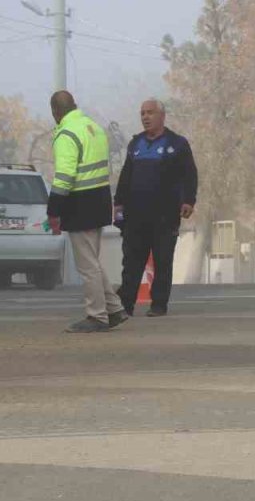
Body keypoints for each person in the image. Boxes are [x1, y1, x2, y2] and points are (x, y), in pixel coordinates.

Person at [47, 91, 128, 333]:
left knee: (87, 265)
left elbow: (64, 177)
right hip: (100, 198)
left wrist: (54, 211)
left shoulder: (66, 134)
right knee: (93, 260)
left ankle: (97, 316)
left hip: (79, 203)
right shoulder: (93, 127)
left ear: (55, 112)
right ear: (75, 105)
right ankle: (114, 309)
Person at [114, 99, 198, 317]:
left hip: (165, 214)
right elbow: (125, 177)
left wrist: (189, 200)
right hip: (136, 215)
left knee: (162, 260)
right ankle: (126, 304)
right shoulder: (135, 145)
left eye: (150, 113)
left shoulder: (177, 144)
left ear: (162, 116)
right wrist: (118, 205)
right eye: (142, 113)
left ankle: (159, 304)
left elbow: (190, 174)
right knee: (131, 262)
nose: (145, 117)